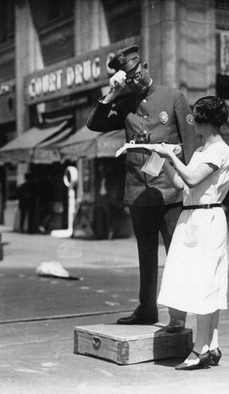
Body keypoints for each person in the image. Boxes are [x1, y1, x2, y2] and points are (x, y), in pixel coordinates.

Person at [87, 45, 199, 331]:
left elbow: (191, 144)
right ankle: (146, 309)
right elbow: (94, 123)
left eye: (136, 74)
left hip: (170, 191)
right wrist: (112, 94)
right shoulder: (125, 103)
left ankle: (178, 314)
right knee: (145, 255)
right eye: (128, 78)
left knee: (176, 256)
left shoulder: (172, 97)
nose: (134, 81)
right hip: (138, 191)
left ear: (145, 67)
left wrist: (191, 185)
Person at [154, 96, 229, 370]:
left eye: (197, 117)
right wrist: (161, 159)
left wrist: (172, 155)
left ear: (209, 121)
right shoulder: (200, 152)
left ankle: (200, 349)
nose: (193, 122)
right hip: (192, 217)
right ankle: (211, 344)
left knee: (205, 282)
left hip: (208, 218)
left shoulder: (220, 150)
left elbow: (193, 178)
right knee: (197, 279)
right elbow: (181, 184)